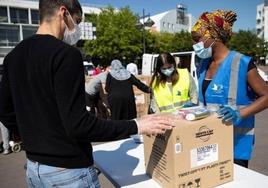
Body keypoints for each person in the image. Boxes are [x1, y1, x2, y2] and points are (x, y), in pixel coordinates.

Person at [0, 1, 173, 187]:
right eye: (77, 21)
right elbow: (79, 125)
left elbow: (4, 110)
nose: (78, 28)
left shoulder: (14, 56)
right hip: (68, 171)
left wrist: (34, 137)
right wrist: (136, 125)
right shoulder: (66, 55)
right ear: (63, 13)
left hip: (35, 169)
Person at [191, 10, 268, 168]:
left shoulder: (242, 63)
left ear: (213, 36)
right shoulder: (203, 65)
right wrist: (194, 107)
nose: (194, 44)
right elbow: (207, 100)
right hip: (207, 143)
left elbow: (266, 96)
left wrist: (240, 113)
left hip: (235, 148)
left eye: (197, 39)